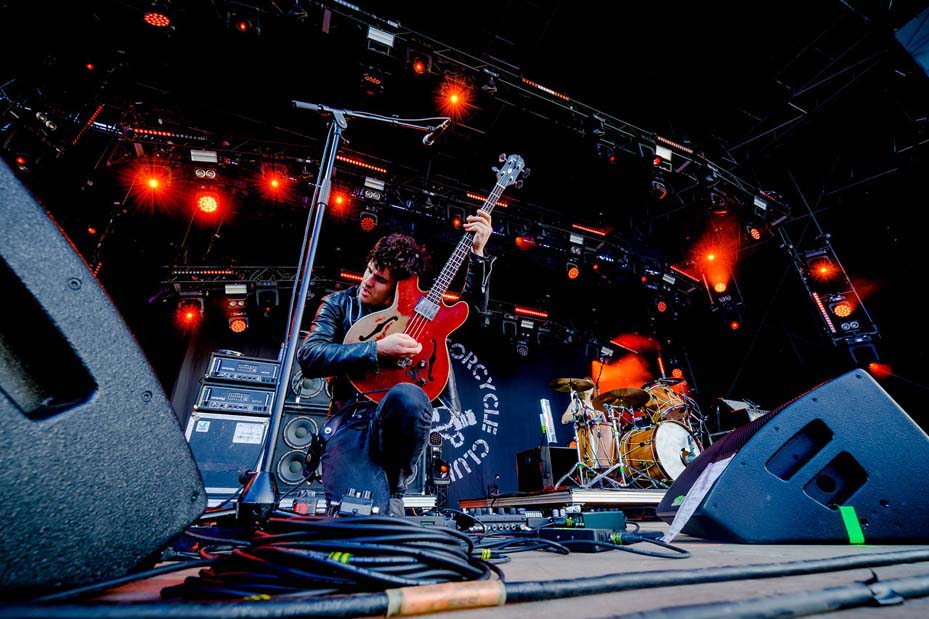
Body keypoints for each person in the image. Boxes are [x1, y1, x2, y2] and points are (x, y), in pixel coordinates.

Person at [298, 210, 495, 516]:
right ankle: (387, 499)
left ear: (400, 287)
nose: (367, 282)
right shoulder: (338, 304)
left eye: (380, 280)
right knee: (357, 519)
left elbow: (471, 315)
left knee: (410, 396)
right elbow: (309, 356)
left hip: (396, 424)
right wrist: (376, 349)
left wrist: (478, 254)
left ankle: (395, 481)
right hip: (350, 419)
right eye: (368, 271)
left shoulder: (417, 308)